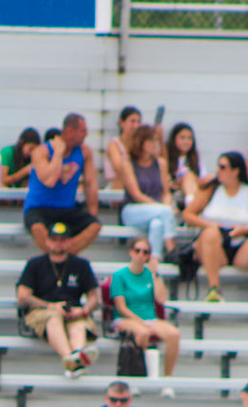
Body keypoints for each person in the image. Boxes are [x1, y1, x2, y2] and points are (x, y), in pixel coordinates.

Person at [183, 151, 248, 304]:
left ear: (236, 171)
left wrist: (246, 230)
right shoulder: (212, 189)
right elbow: (188, 214)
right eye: (218, 167)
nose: (218, 171)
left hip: (240, 244)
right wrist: (211, 225)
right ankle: (214, 289)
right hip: (214, 245)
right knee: (210, 234)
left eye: (223, 167)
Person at [16, 222, 101, 378]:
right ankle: (72, 358)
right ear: (48, 241)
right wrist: (50, 306)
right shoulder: (35, 264)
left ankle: (75, 358)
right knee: (54, 317)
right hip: (43, 312)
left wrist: (84, 310)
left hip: (73, 311)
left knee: (79, 326)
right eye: (54, 239)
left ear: (69, 242)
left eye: (62, 239)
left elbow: (94, 297)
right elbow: (23, 296)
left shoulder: (81, 265)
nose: (58, 243)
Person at [24, 112, 101, 254]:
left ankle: (65, 256)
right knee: (38, 229)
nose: (86, 134)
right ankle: (52, 257)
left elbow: (90, 184)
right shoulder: (41, 152)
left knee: (94, 226)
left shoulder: (84, 152)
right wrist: (58, 153)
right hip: (39, 208)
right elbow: (50, 180)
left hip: (66, 208)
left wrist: (93, 212)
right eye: (83, 131)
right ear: (70, 131)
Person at [110, 236, 182, 384]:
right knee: (142, 332)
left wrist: (155, 274)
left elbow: (161, 299)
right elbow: (121, 308)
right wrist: (140, 321)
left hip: (150, 318)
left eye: (145, 252)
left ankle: (167, 379)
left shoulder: (150, 275)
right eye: (137, 251)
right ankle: (138, 376)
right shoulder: (119, 276)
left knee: (174, 334)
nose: (141, 255)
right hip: (126, 319)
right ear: (131, 252)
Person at [116, 124, 179, 260]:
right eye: (151, 140)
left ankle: (154, 260)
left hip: (157, 211)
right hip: (133, 209)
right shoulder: (128, 163)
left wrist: (166, 205)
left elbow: (166, 192)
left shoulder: (160, 163)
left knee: (157, 224)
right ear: (141, 142)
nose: (155, 144)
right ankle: (172, 249)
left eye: (156, 140)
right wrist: (163, 208)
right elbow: (136, 194)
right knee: (165, 212)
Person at [0, 127, 43, 193]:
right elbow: (2, 180)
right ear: (22, 143)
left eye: (34, 150)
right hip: (5, 189)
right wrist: (24, 171)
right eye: (30, 149)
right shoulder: (7, 153)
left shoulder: (32, 158)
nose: (31, 153)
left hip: (21, 192)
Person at [165, 122, 203, 209]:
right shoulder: (167, 157)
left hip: (192, 188)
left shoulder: (195, 158)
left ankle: (190, 201)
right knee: (187, 176)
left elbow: (201, 178)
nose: (186, 142)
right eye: (182, 138)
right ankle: (191, 204)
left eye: (189, 138)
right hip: (174, 191)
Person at [103, 106, 142, 189]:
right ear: (122, 123)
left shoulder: (139, 144)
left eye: (138, 122)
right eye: (132, 121)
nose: (136, 125)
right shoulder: (114, 144)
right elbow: (119, 168)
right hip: (116, 186)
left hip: (137, 185)